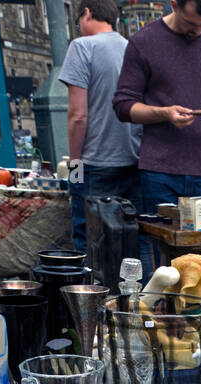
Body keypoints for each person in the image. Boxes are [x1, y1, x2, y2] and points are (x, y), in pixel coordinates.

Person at [112, 0, 201, 219]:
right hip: (159, 171)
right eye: (190, 23)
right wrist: (164, 113)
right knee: (160, 248)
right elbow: (122, 106)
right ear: (174, 5)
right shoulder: (144, 42)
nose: (198, 31)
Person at [59, 0, 141, 254]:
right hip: (134, 161)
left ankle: (93, 294)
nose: (79, 28)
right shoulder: (133, 48)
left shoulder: (82, 47)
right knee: (129, 241)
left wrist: (74, 165)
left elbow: (78, 114)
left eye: (78, 21)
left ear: (86, 13)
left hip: (94, 164)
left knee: (89, 242)